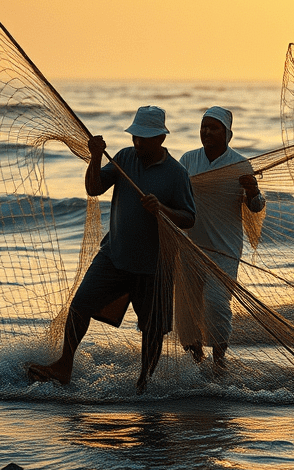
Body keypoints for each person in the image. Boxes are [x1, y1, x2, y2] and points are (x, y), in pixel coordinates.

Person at [26, 105, 196, 393]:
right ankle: (64, 365)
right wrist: (94, 157)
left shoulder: (176, 174)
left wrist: (162, 210)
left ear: (161, 139)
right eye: (135, 137)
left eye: (145, 138)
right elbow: (94, 189)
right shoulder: (124, 158)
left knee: (153, 329)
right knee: (80, 305)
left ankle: (144, 381)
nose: (138, 143)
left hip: (155, 266)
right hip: (115, 255)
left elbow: (189, 218)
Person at [176, 106, 265, 369]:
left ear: (228, 133)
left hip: (224, 249)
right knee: (187, 307)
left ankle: (219, 361)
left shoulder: (239, 164)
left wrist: (253, 191)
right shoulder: (188, 160)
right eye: (203, 126)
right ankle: (195, 361)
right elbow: (175, 195)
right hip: (189, 246)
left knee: (217, 304)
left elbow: (256, 206)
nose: (206, 132)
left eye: (213, 127)